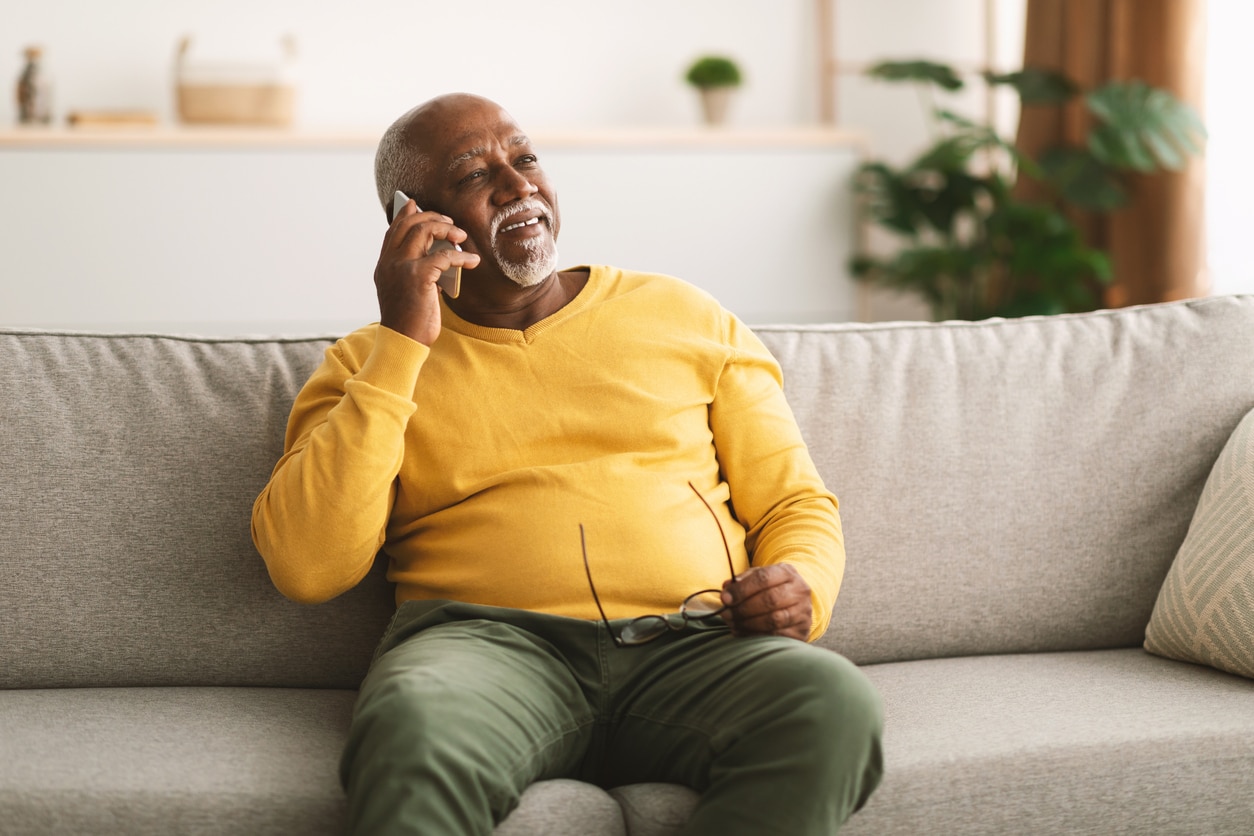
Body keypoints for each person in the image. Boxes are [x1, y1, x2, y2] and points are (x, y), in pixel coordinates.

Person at [251, 92, 882, 836]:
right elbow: (306, 566)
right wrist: (403, 343)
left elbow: (794, 503)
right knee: (411, 730)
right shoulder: (368, 363)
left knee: (831, 702)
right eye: (474, 175)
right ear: (410, 219)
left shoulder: (685, 316)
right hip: (486, 656)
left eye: (524, 158)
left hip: (696, 644)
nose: (518, 185)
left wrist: (802, 584)